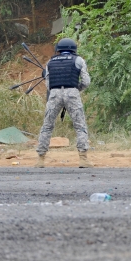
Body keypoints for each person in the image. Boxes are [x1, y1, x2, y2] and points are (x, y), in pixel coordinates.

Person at [35, 38, 92, 168]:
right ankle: (83, 159)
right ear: (73, 49)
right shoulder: (78, 60)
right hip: (72, 93)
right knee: (80, 126)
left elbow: (48, 84)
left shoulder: (50, 62)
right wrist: (77, 89)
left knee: (47, 126)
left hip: (54, 93)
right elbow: (86, 81)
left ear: (59, 49)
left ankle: (40, 159)